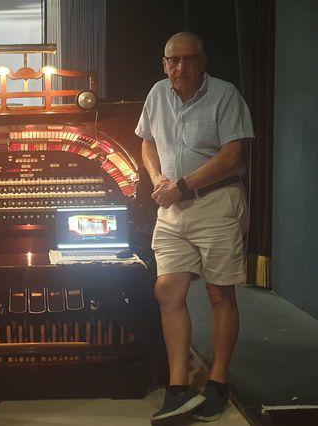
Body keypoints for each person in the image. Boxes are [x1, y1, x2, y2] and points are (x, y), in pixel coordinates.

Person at [135, 31, 254, 425]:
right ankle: (178, 386)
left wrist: (182, 185)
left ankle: (217, 383)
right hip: (172, 207)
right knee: (167, 290)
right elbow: (147, 142)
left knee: (220, 294)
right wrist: (157, 178)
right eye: (173, 60)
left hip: (217, 202)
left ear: (203, 62)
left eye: (189, 60)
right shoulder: (157, 93)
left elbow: (232, 155)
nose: (180, 67)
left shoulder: (225, 95)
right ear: (164, 63)